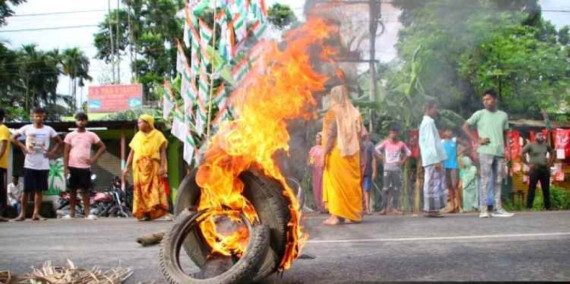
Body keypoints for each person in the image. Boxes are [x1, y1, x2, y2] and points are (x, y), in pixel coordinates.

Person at [462, 89, 514, 218]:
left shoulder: (503, 115)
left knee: (498, 180)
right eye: (484, 100)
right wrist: (477, 140)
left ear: (495, 99)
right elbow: (465, 126)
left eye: (489, 99)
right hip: (485, 152)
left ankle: (498, 208)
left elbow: (506, 133)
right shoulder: (479, 114)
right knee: (485, 180)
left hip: (500, 152)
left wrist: (507, 149)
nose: (486, 102)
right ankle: (483, 209)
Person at [322, 85, 364, 225]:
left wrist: (323, 154)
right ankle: (352, 215)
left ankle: (336, 216)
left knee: (336, 185)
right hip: (354, 153)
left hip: (337, 153)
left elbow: (331, 134)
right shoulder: (354, 112)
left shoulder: (333, 112)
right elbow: (363, 134)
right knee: (351, 184)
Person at [12, 107, 63, 221]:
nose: (39, 118)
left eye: (41, 116)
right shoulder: (26, 128)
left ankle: (36, 214)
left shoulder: (49, 129)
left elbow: (59, 141)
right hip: (29, 163)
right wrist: (24, 147)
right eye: (36, 116)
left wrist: (52, 152)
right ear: (33, 116)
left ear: (44, 116)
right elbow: (13, 138)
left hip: (43, 164)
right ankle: (22, 214)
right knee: (26, 190)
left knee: (39, 190)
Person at [122, 114, 169, 221]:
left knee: (154, 189)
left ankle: (152, 212)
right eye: (138, 122)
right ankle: (143, 213)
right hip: (139, 167)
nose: (138, 124)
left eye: (140, 122)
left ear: (148, 124)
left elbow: (162, 152)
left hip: (153, 166)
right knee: (140, 190)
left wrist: (162, 166)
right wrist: (126, 167)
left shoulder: (158, 135)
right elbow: (132, 152)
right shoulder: (137, 136)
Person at [63, 112, 106, 220]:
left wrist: (93, 159)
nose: (81, 122)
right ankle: (72, 213)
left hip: (85, 167)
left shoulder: (91, 135)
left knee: (85, 190)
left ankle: (87, 214)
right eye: (78, 120)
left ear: (86, 121)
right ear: (75, 121)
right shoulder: (70, 135)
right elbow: (66, 152)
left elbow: (102, 147)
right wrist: (65, 167)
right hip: (72, 166)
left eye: (83, 120)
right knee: (72, 190)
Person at [419, 101, 447, 217]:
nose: (436, 111)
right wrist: (436, 160)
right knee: (433, 183)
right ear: (428, 109)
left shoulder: (426, 122)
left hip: (430, 158)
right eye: (435, 108)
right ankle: (432, 209)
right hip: (432, 159)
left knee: (432, 183)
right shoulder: (428, 122)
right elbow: (430, 142)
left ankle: (431, 208)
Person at [375, 125, 411, 215]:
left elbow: (408, 152)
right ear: (389, 133)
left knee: (396, 188)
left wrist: (402, 161)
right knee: (385, 188)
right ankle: (384, 208)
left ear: (397, 134)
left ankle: (395, 208)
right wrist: (383, 158)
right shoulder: (385, 143)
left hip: (396, 168)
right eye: (391, 133)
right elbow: (376, 150)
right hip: (387, 167)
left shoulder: (401, 144)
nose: (393, 134)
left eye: (395, 133)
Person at [521, 132, 555, 210]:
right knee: (532, 188)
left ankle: (548, 206)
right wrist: (528, 164)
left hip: (544, 169)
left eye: (542, 135)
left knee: (546, 188)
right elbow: (522, 153)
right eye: (539, 135)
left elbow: (552, 152)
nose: (541, 136)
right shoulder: (530, 145)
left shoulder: (545, 145)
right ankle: (529, 207)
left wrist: (550, 163)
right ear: (535, 137)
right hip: (534, 170)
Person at [441, 127, 461, 213]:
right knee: (449, 187)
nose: (449, 132)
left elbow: (467, 144)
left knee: (455, 186)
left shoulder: (454, 140)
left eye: (451, 131)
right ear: (444, 132)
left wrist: (459, 153)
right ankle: (452, 206)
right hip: (445, 166)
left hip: (454, 166)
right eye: (448, 130)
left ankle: (459, 207)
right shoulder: (441, 142)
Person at [308, 132, 325, 213]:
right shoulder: (313, 149)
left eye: (319, 137)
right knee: (317, 188)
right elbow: (311, 160)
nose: (317, 139)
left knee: (324, 188)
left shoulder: (326, 148)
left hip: (325, 171)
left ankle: (326, 206)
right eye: (316, 138)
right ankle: (320, 207)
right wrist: (310, 164)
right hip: (316, 171)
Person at [360, 131, 376, 215]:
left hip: (367, 170)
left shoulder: (370, 145)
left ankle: (367, 208)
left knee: (366, 189)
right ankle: (360, 208)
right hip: (357, 171)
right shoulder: (356, 144)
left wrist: (374, 171)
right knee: (358, 190)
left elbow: (374, 158)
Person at [0, 108, 10, 221]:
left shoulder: (3, 128)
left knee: (0, 190)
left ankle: (2, 213)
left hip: (0, 164)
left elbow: (2, 146)